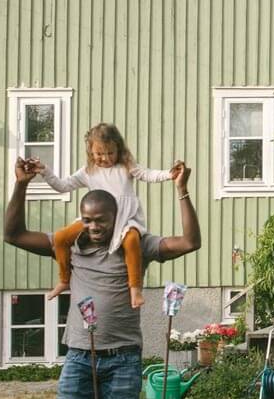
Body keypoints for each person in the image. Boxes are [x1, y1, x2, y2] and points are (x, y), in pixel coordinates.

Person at [3, 156, 200, 399]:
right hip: (79, 359)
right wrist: (21, 184)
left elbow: (189, 242)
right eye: (87, 220)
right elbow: (13, 234)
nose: (94, 227)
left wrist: (182, 191)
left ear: (117, 219)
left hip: (123, 360)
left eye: (101, 221)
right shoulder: (70, 246)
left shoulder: (135, 244)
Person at [36, 122, 183, 309]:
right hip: (94, 221)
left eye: (110, 153)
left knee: (131, 241)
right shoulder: (88, 172)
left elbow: (148, 174)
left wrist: (169, 174)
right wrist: (45, 171)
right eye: (99, 154)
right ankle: (65, 279)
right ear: (91, 152)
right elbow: (62, 186)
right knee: (60, 238)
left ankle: (135, 289)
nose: (105, 158)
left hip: (124, 219)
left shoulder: (125, 167)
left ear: (118, 149)